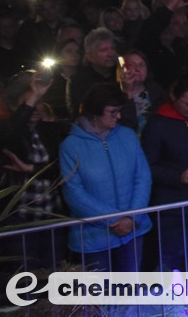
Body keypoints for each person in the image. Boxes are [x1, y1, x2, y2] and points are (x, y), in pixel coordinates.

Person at [60, 83, 152, 271]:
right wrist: (113, 220)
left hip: (132, 231)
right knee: (101, 296)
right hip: (94, 237)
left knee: (130, 293)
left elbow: (143, 177)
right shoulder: (70, 146)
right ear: (94, 114)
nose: (118, 116)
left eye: (119, 111)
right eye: (112, 112)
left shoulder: (127, 135)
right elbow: (74, 193)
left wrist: (132, 216)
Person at [141, 73, 188, 271]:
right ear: (173, 96)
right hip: (172, 208)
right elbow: (147, 166)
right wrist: (179, 176)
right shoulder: (157, 124)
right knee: (172, 258)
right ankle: (171, 299)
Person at [0, 70, 71, 271]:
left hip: (51, 214)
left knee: (53, 272)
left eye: (40, 100)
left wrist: (31, 169)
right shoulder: (5, 130)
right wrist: (31, 98)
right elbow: (10, 134)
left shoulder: (50, 130)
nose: (37, 106)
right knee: (25, 277)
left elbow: (64, 166)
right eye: (31, 100)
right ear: (15, 104)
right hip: (19, 219)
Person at [66, 27, 119, 118]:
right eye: (104, 50)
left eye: (112, 48)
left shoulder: (122, 75)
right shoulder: (78, 81)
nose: (111, 54)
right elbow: (78, 114)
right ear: (89, 56)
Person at [119, 49, 166, 136]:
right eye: (132, 64)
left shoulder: (156, 92)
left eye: (141, 65)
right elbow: (125, 128)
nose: (137, 69)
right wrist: (127, 92)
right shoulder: (114, 95)